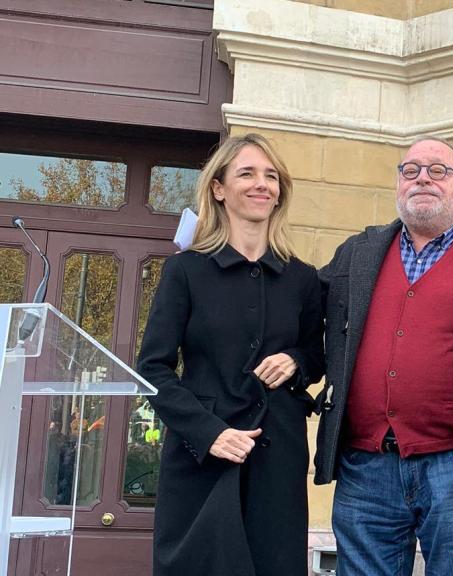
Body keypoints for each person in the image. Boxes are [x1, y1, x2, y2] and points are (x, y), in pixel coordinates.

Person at [314, 135, 453, 575]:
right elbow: (298, 308)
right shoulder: (358, 252)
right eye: (410, 170)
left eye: (439, 171)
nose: (422, 179)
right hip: (365, 465)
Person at [137, 133, 325, 576]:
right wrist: (209, 433)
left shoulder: (302, 278)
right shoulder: (186, 271)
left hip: (277, 457)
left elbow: (317, 356)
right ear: (219, 188)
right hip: (202, 457)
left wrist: (296, 360)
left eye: (271, 176)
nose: (262, 184)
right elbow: (152, 370)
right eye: (247, 174)